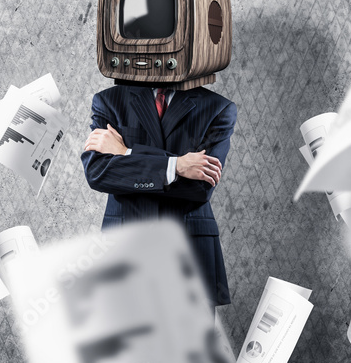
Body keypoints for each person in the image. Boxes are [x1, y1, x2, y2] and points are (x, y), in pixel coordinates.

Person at [81, 84, 237, 306]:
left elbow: (201, 187)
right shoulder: (109, 101)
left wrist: (127, 153)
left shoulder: (218, 108)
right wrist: (176, 165)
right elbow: (99, 173)